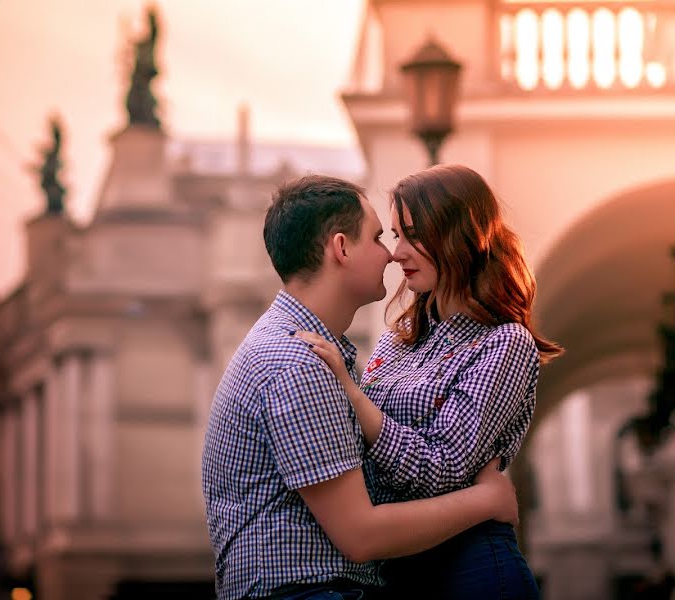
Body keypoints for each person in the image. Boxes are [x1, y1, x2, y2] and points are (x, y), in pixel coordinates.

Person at [201, 174, 521, 600]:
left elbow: (427, 469)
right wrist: (488, 501)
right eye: (380, 237)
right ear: (342, 248)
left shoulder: (309, 353)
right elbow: (361, 534)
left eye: (409, 236)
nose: (391, 254)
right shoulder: (299, 362)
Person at [296, 164, 563, 599]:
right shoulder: (396, 341)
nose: (397, 252)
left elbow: (442, 469)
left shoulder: (505, 343)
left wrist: (351, 393)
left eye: (412, 234)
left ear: (460, 235)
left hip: (471, 572)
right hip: (396, 571)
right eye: (395, 235)